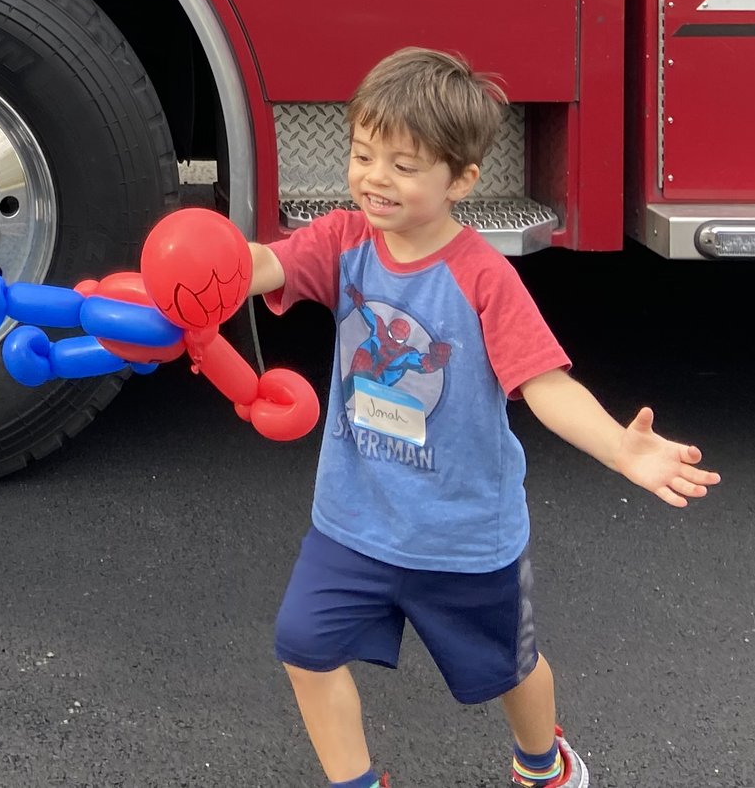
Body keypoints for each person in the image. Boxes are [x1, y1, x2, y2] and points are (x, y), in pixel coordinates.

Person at [248, 48, 719, 788]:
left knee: (511, 667)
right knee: (303, 644)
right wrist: (187, 277)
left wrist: (621, 451)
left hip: (463, 536)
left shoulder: (481, 276)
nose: (375, 176)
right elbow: (261, 266)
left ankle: (545, 763)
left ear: (461, 179)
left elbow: (544, 382)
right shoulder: (343, 241)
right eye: (363, 153)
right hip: (353, 521)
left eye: (403, 165)